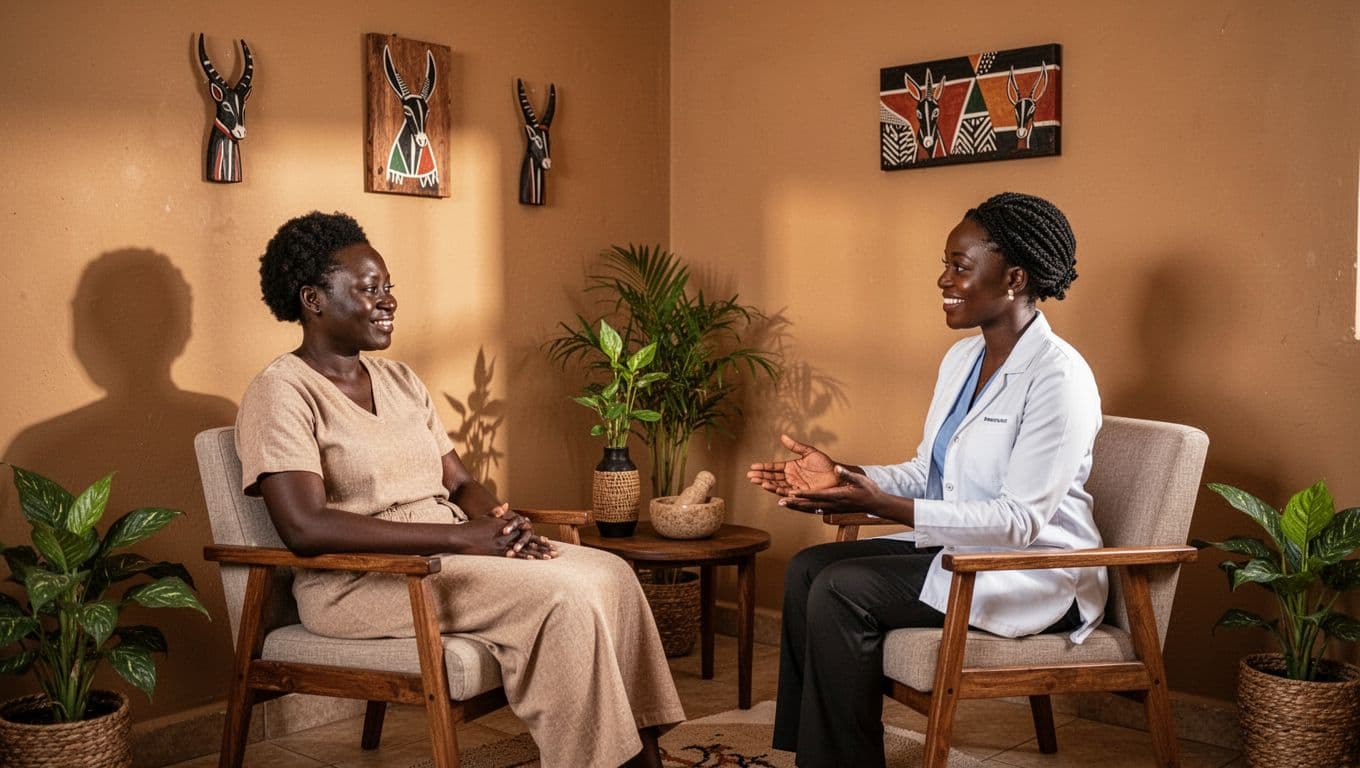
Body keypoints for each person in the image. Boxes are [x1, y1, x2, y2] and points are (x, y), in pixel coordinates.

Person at [235, 211, 684, 768]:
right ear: (313, 299)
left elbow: (461, 481)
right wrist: (466, 541)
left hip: (446, 554)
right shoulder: (281, 393)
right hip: (360, 580)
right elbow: (304, 527)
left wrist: (499, 521)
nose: (389, 301)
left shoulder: (400, 380)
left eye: (389, 288)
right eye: (370, 289)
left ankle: (644, 754)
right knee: (562, 599)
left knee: (609, 571)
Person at [747, 192, 1104, 768]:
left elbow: (1019, 523)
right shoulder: (962, 360)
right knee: (806, 569)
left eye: (960, 266)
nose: (944, 278)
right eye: (946, 263)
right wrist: (843, 477)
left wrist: (882, 505)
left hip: (1032, 570)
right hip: (962, 551)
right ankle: (811, 754)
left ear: (1013, 277)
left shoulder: (1060, 379)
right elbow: (928, 472)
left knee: (842, 589)